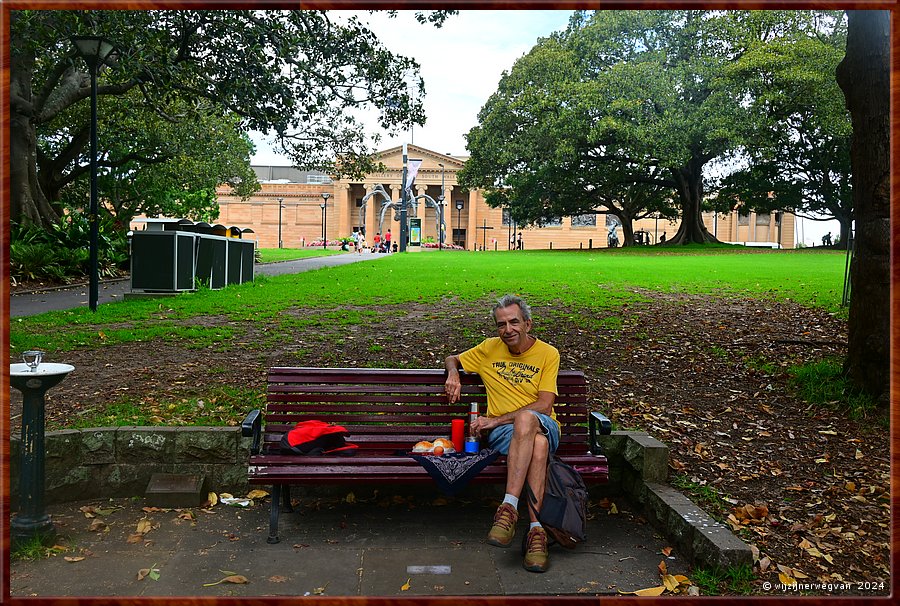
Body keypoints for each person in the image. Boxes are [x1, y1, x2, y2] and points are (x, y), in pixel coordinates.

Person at [444, 294, 560, 573]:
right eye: (501, 324)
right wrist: (453, 374)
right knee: (538, 446)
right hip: (509, 436)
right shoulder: (488, 349)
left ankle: (507, 508)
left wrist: (494, 421)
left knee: (529, 422)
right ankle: (536, 533)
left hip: (543, 423)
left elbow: (545, 404)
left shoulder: (548, 353)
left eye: (514, 322)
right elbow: (452, 358)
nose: (507, 330)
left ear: (528, 324)